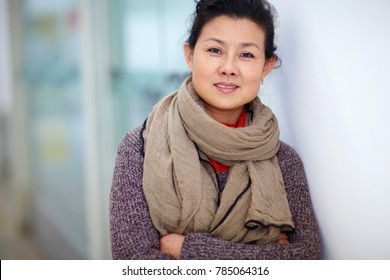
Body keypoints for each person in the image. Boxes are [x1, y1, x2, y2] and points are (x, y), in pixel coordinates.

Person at [110, 0, 320, 260]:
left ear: (266, 65)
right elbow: (134, 262)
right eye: (215, 50)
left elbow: (306, 258)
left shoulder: (283, 160)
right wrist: (264, 255)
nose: (228, 68)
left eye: (246, 55)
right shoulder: (139, 147)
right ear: (190, 55)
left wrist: (186, 249)